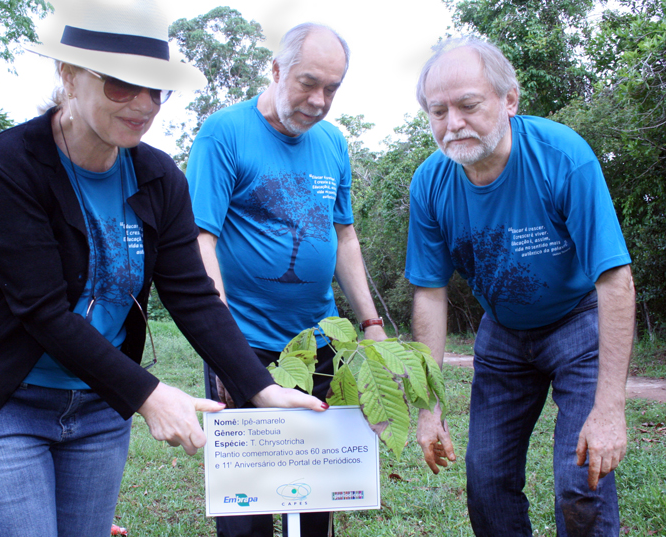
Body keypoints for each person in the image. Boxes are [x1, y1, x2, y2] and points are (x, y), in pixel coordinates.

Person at [0, 2, 327, 536]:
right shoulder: (10, 166)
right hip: (0, 405)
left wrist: (261, 388)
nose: (143, 104)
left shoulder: (159, 178)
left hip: (96, 410)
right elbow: (43, 311)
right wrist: (149, 394)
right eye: (121, 84)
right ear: (68, 76)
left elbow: (193, 296)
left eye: (156, 89)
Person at [405, 36, 636, 536]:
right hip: (503, 332)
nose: (453, 124)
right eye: (438, 111)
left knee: (581, 479)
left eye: (468, 105)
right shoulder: (429, 184)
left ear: (509, 100)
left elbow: (614, 280)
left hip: (577, 322)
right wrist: (429, 408)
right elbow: (430, 293)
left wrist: (610, 409)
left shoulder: (562, 157)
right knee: (485, 479)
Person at [185, 22, 387, 537]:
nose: (320, 101)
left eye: (332, 89)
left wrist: (370, 323)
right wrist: (223, 340)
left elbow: (344, 238)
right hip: (244, 342)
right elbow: (200, 238)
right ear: (275, 70)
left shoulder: (333, 143)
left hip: (319, 343)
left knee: (315, 496)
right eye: (308, 83)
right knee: (246, 504)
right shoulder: (222, 134)